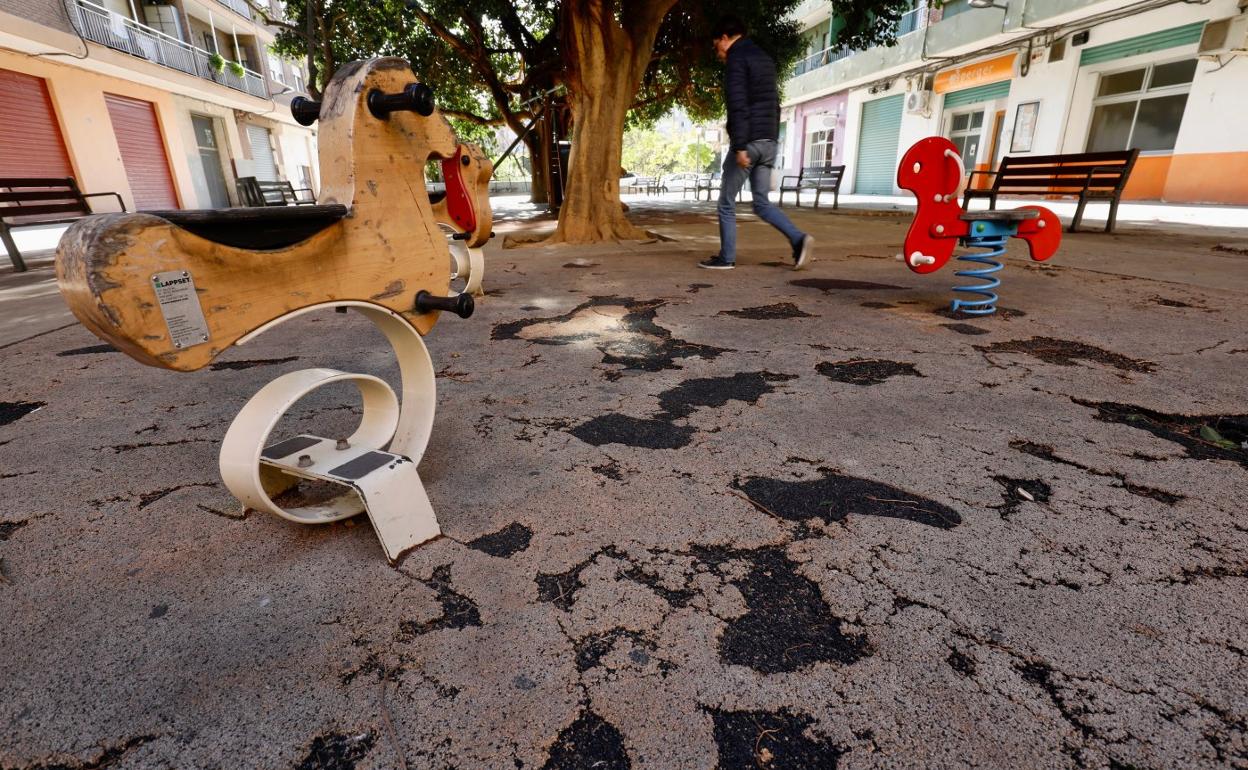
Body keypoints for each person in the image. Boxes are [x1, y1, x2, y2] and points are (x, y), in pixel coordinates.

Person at [700, 16, 813, 271]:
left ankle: (726, 258)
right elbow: (775, 103)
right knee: (761, 202)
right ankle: (799, 239)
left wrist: (740, 146)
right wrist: (771, 140)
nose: (717, 50)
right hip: (769, 141)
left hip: (748, 143)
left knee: (726, 201)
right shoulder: (763, 58)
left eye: (716, 44)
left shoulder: (737, 60)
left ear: (726, 38)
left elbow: (738, 105)